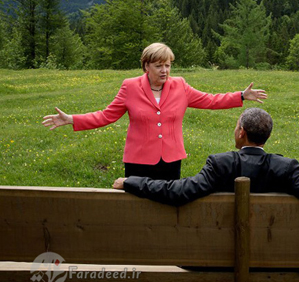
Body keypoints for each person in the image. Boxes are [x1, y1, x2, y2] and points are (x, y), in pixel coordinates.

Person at [42, 43, 267, 181]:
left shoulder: (180, 85)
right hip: (138, 160)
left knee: (167, 204)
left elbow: (209, 100)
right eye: (159, 65)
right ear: (146, 66)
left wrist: (240, 95)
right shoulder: (129, 87)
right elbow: (106, 115)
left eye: (168, 65)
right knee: (137, 208)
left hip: (170, 160)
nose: (165, 70)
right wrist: (72, 119)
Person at [113, 108, 299, 208]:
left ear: (242, 133)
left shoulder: (220, 165)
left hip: (214, 259)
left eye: (236, 126)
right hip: (273, 256)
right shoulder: (285, 169)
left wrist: (132, 181)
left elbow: (177, 191)